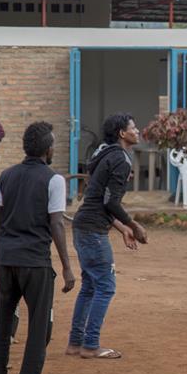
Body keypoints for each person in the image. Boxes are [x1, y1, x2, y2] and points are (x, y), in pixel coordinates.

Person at [0, 122, 76, 374]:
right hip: (35, 264)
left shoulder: (7, 176)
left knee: (3, 328)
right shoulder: (54, 180)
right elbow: (57, 223)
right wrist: (67, 266)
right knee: (40, 329)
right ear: (48, 150)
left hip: (8, 262)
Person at [66, 113, 147, 360]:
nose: (138, 130)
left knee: (90, 286)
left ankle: (75, 343)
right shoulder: (120, 159)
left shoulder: (107, 154)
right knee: (105, 287)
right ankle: (90, 345)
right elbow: (110, 202)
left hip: (83, 226)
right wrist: (133, 224)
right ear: (123, 133)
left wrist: (123, 229)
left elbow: (99, 200)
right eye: (133, 127)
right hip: (92, 231)